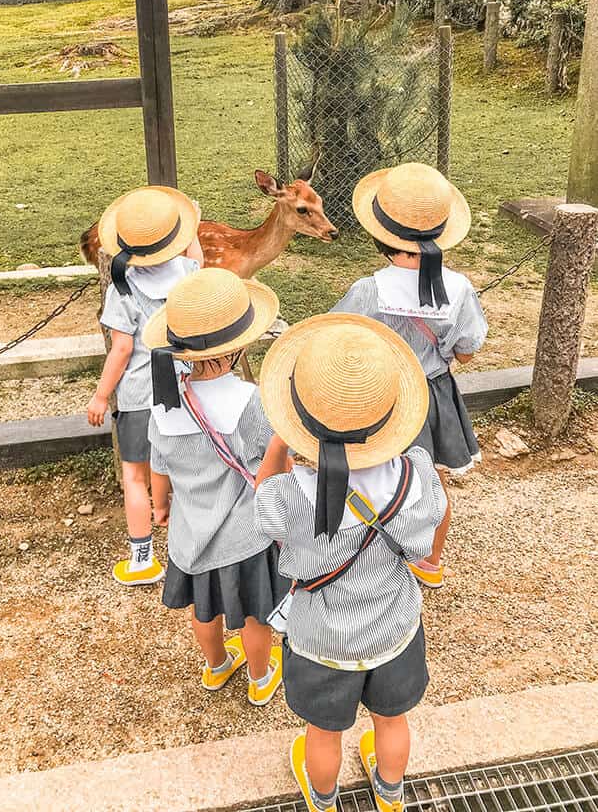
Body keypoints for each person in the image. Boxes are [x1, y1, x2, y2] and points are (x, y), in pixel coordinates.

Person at [254, 313, 447, 812]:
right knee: (392, 720)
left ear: (299, 423)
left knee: (322, 732)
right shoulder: (417, 474)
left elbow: (263, 508)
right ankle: (389, 793)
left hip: (321, 637)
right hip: (393, 627)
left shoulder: (292, 493)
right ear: (391, 412)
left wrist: (280, 445)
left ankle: (323, 799)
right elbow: (430, 534)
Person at [331, 162, 487, 588]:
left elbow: (337, 339)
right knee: (431, 480)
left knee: (374, 477)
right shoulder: (459, 289)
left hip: (380, 394)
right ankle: (430, 562)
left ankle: (373, 563)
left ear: (381, 235)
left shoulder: (369, 289)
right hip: (434, 395)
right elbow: (467, 353)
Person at [142, 267, 288, 705]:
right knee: (253, 614)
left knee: (204, 610)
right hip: (245, 535)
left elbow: (159, 464)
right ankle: (261, 679)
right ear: (237, 346)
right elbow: (270, 463)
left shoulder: (165, 404)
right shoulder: (249, 401)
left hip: (191, 532)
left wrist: (161, 506)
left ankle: (217, 666)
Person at [85, 186, 202, 587]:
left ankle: (142, 560)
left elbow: (121, 348)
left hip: (137, 395)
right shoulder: (188, 275)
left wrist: (102, 394)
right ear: (176, 240)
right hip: (185, 391)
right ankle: (190, 552)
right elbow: (196, 260)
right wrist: (195, 231)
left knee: (135, 477)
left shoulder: (123, 288)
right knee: (184, 473)